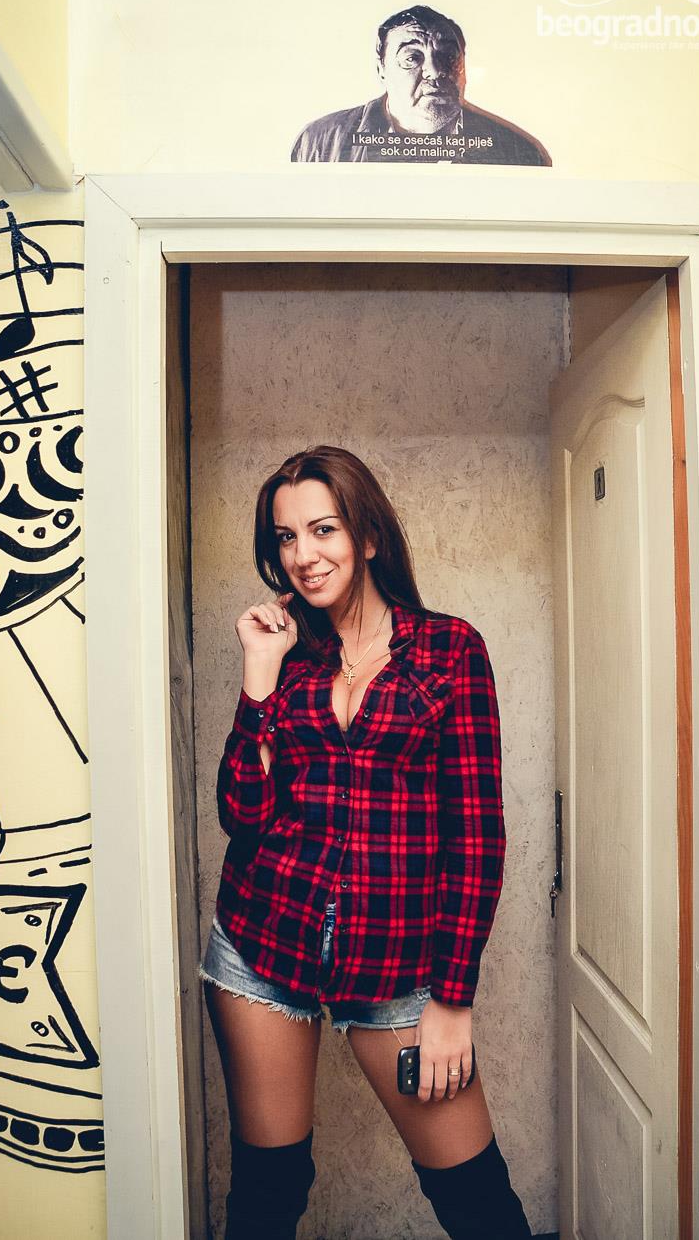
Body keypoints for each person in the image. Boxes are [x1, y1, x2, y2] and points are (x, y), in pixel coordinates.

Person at [199, 444, 535, 1239]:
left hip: (398, 965)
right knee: (269, 1193)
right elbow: (242, 812)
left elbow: (476, 836)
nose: (303, 555)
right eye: (285, 537)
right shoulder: (286, 654)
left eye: (323, 529)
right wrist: (258, 672)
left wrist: (450, 1001)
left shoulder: (450, 650)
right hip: (262, 943)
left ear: (369, 535)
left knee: (475, 1200)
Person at [291, 4, 552, 167]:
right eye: (412, 58)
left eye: (448, 57)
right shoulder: (320, 143)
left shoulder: (520, 153)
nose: (435, 72)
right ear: (382, 70)